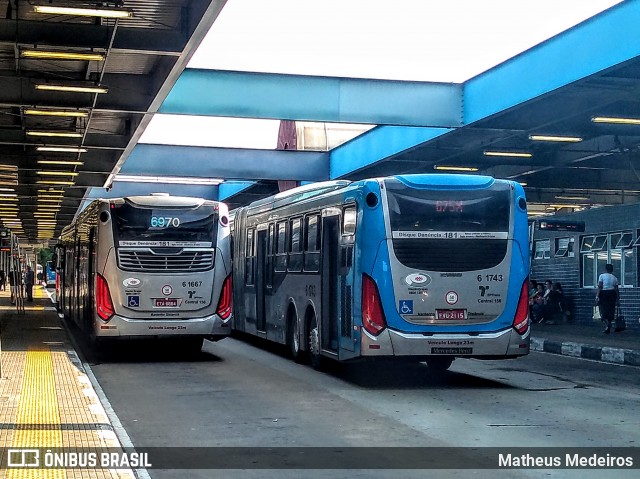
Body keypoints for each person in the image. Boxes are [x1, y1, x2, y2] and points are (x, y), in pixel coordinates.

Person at [596, 263, 619, 334]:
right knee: (611, 310)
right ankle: (608, 324)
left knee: (602, 309)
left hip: (604, 294)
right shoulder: (615, 278)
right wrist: (618, 298)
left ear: (605, 269)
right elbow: (616, 289)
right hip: (612, 294)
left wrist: (597, 296)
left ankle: (607, 324)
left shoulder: (602, 276)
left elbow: (600, 286)